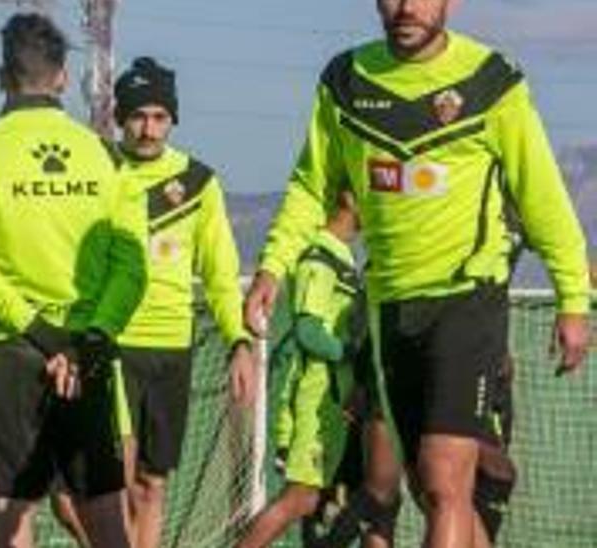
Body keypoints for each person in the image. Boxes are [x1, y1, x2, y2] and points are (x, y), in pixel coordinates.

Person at [243, 1, 590, 546]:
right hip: (389, 307)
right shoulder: (346, 81)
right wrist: (271, 266)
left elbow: (541, 195)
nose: (406, 7)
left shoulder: (490, 81)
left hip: (466, 300)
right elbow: (312, 185)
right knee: (419, 484)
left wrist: (572, 297)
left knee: (441, 478)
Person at [0, 13, 163, 547]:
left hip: (11, 349)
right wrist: (90, 338)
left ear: (1, 76)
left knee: (13, 512)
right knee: (106, 513)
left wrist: (41, 336)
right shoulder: (108, 157)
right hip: (88, 351)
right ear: (63, 77)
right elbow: (130, 266)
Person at [108, 56, 255, 548]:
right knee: (118, 475)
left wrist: (238, 340)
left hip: (172, 348)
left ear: (172, 120)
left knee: (152, 483)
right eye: (138, 116)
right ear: (120, 118)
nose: (148, 128)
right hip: (112, 345)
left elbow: (219, 272)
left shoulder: (198, 182)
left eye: (159, 117)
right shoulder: (98, 173)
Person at [238, 191, 360, 548]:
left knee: (338, 500)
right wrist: (353, 354)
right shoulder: (318, 257)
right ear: (350, 198)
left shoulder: (343, 256)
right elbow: (309, 332)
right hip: (318, 397)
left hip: (339, 401)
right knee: (301, 497)